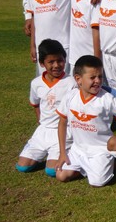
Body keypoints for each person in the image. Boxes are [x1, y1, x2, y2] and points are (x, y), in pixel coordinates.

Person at [55, 55, 116, 187]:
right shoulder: (71, 96)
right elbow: (62, 122)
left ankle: (114, 161)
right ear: (78, 79)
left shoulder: (107, 99)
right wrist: (63, 153)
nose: (98, 81)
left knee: (97, 182)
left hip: (100, 150)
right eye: (92, 77)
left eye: (100, 76)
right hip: (78, 149)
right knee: (61, 175)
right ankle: (87, 167)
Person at [16, 39, 76, 177]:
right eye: (51, 62)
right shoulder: (36, 83)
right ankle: (38, 150)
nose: (56, 65)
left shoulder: (71, 82)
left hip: (62, 132)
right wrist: (40, 121)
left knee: (51, 171)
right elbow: (35, 104)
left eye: (60, 61)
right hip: (43, 131)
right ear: (42, 63)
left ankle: (68, 149)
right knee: (22, 167)